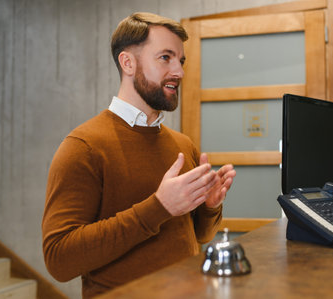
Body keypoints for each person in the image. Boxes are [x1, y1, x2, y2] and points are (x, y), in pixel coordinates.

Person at [42, 12, 236, 298]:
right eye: (165, 58)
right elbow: (59, 260)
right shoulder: (82, 147)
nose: (179, 72)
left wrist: (207, 207)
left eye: (180, 61)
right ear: (128, 62)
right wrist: (158, 207)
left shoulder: (184, 145)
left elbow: (198, 236)